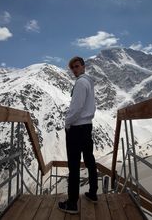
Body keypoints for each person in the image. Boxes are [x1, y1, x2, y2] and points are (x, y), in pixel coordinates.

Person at [58, 56, 98, 214]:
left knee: (74, 165)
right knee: (89, 160)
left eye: (77, 66)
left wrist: (67, 123)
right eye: (72, 67)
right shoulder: (89, 81)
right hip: (87, 127)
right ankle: (93, 193)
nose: (74, 70)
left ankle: (72, 203)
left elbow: (76, 107)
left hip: (76, 128)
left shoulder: (81, 83)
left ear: (83, 66)